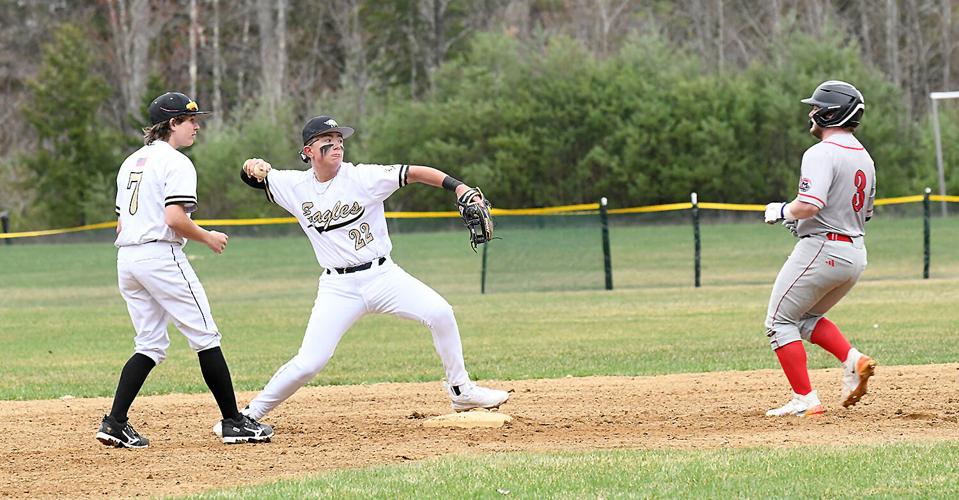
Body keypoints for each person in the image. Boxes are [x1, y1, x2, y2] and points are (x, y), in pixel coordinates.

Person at [227, 115, 509, 428]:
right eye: (328, 141)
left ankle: (461, 391)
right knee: (310, 362)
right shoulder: (293, 185)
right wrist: (251, 166)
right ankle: (249, 416)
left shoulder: (363, 177)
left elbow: (414, 172)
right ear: (308, 151)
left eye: (340, 140)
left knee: (441, 312)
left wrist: (459, 187)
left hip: (383, 277)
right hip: (338, 288)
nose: (337, 146)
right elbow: (253, 176)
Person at [97, 92, 273, 448]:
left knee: (149, 343)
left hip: (127, 259)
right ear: (172, 124)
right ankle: (233, 421)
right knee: (206, 336)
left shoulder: (131, 161)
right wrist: (207, 237)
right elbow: (174, 218)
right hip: (160, 257)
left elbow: (120, 224)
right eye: (190, 120)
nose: (196, 126)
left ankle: (115, 423)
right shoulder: (176, 162)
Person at [761, 81, 878, 417]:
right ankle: (853, 360)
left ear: (830, 113)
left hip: (824, 248)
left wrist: (783, 211)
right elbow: (863, 213)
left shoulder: (820, 152)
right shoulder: (864, 158)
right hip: (854, 253)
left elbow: (810, 204)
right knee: (806, 318)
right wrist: (800, 222)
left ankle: (805, 399)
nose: (811, 113)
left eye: (815, 108)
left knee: (778, 321)